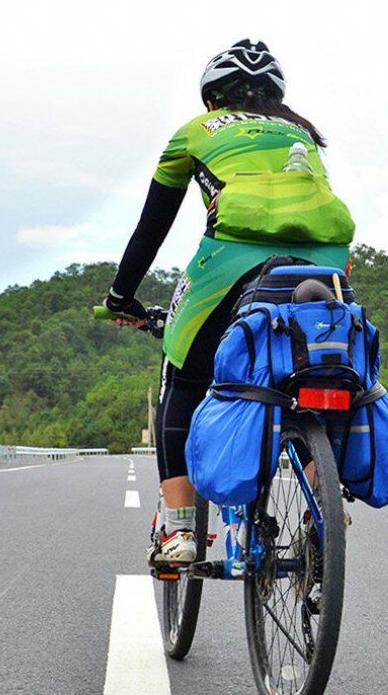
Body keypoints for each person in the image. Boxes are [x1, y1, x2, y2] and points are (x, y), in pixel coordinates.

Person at [104, 39, 354, 567]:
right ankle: (320, 510)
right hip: (326, 274)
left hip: (232, 268)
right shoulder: (303, 135)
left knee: (184, 377)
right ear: (274, 98)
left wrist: (121, 297)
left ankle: (177, 531)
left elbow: (151, 228)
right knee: (323, 377)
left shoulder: (194, 132)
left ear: (212, 99)